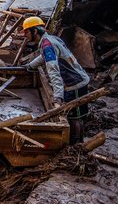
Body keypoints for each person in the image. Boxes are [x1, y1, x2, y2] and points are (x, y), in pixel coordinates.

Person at [21, 16, 90, 144]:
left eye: (26, 32)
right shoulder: (49, 40)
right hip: (75, 79)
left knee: (75, 117)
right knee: (74, 115)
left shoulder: (47, 44)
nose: (25, 35)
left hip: (74, 83)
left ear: (35, 31)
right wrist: (30, 66)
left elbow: (53, 71)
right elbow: (43, 57)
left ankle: (77, 145)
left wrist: (58, 96)